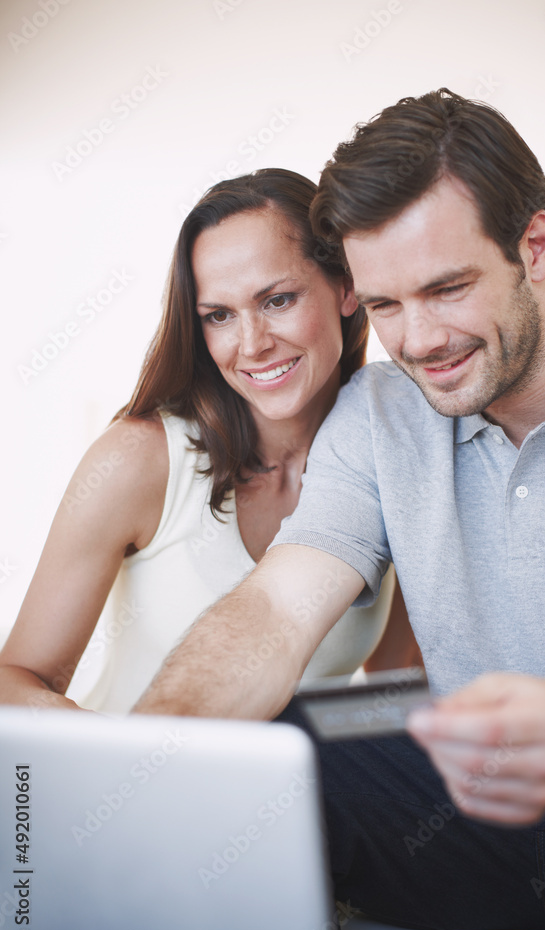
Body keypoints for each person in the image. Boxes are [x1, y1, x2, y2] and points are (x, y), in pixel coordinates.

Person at [132, 92, 545, 930]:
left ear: (535, 247)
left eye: (447, 289)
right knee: (276, 744)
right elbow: (275, 608)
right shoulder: (380, 409)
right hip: (460, 812)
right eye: (384, 304)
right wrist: (155, 751)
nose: (419, 342)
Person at [0, 169, 421, 716]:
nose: (252, 344)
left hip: (301, 777)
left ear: (346, 287)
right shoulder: (139, 461)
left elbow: (396, 686)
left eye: (277, 300)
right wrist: (119, 752)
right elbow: (15, 681)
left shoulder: (394, 455)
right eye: (219, 315)